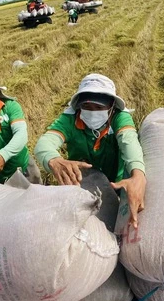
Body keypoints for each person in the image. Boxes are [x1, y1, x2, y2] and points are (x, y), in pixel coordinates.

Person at [34, 73, 146, 228]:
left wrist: (138, 174)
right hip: (84, 182)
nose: (92, 112)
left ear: (112, 107)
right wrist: (54, 160)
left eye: (99, 107)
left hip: (116, 182)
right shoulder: (70, 120)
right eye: (87, 106)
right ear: (79, 105)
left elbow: (129, 142)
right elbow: (44, 144)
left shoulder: (119, 118)